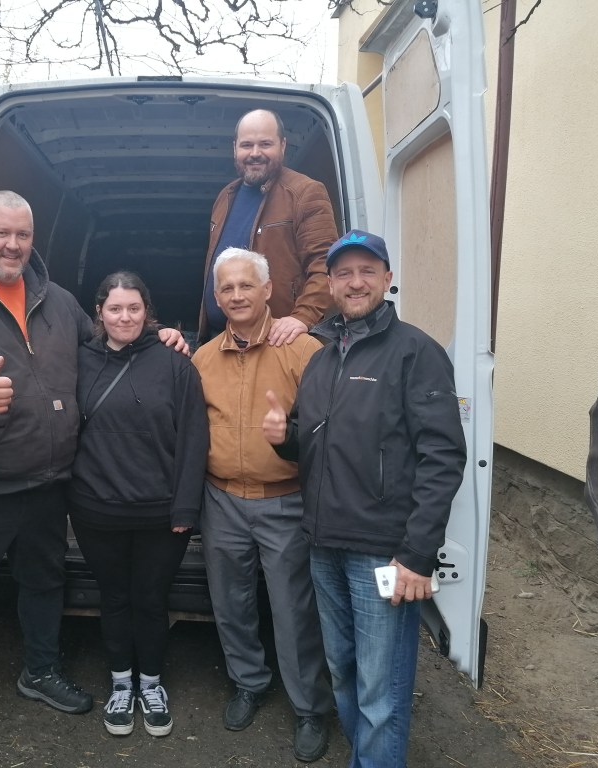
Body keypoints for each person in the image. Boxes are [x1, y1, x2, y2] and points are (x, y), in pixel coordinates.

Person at [0, 191, 186, 768]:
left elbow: (110, 344)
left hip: (45, 484)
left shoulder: (57, 301)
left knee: (44, 581)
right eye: (2, 234)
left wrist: (159, 336)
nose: (13, 245)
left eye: (23, 235)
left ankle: (39, 671)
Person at [263, 230, 468, 768]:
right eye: (344, 273)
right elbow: (314, 443)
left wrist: (418, 555)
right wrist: (285, 437)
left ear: (387, 278)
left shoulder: (415, 352)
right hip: (323, 544)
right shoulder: (322, 358)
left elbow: (443, 457)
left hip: (382, 552)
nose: (355, 282)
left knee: (382, 689)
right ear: (330, 285)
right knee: (344, 671)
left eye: (367, 271)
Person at [191, 248, 333, 763]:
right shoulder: (203, 358)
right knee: (230, 602)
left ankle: (310, 707)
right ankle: (248, 682)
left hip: (284, 501)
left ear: (268, 289)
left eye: (246, 285)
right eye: (226, 288)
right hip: (221, 499)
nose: (236, 296)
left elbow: (330, 429)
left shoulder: (303, 350)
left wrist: (289, 432)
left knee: (293, 609)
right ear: (216, 295)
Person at [69, 271, 209, 738]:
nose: (124, 317)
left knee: (150, 599)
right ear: (99, 312)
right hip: (95, 511)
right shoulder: (78, 361)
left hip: (159, 513)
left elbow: (194, 439)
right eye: (115, 308)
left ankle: (151, 684)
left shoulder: (176, 364)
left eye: (134, 308)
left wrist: (185, 509)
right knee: (113, 598)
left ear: (148, 312)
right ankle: (120, 684)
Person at [199, 109, 339, 346]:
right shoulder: (225, 196)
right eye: (246, 145)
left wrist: (303, 317)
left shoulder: (305, 192)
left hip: (276, 343)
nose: (255, 153)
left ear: (282, 145)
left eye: (265, 144)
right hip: (221, 338)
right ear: (235, 148)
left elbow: (326, 265)